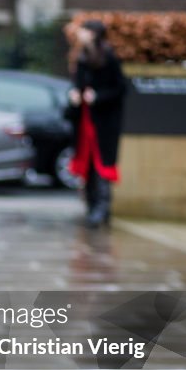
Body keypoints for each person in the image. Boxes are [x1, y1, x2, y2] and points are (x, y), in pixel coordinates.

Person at [65, 19, 127, 228]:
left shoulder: (109, 57)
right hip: (85, 121)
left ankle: (102, 209)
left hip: (103, 122)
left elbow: (120, 89)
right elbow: (78, 85)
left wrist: (98, 96)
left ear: (92, 33)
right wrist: (75, 94)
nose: (79, 34)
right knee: (87, 164)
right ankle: (92, 208)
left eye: (83, 31)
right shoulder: (81, 57)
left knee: (102, 164)